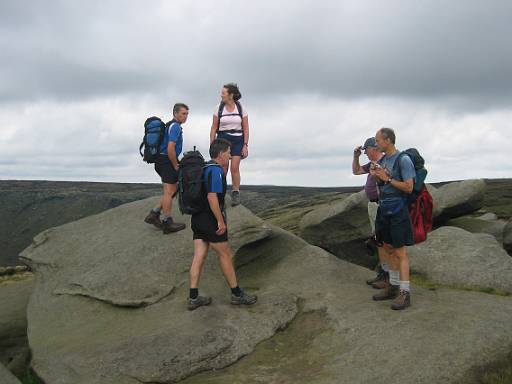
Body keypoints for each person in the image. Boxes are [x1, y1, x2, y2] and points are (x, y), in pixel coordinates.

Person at [187, 138, 258, 310]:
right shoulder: (216, 171)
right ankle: (237, 294)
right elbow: (212, 197)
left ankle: (193, 297)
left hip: (197, 219)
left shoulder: (204, 168)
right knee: (225, 254)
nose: (229, 155)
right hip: (210, 220)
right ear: (220, 154)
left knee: (199, 256)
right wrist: (220, 220)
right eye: (228, 152)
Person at [370, 128, 415, 310]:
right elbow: (384, 181)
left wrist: (387, 180)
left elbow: (409, 187)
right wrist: (378, 176)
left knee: (400, 251)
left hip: (398, 209)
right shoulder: (382, 160)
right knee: (388, 247)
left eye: (378, 140)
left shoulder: (403, 159)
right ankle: (393, 287)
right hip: (385, 208)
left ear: (387, 140)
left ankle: (405, 293)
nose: (376, 144)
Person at [144, 103, 188, 234]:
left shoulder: (170, 125)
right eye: (183, 113)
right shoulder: (175, 127)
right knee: (169, 192)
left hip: (161, 160)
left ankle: (154, 214)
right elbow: (170, 148)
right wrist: (175, 164)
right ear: (175, 113)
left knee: (173, 189)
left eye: (187, 114)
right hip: (166, 160)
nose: (185, 116)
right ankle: (167, 222)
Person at [353, 137, 387, 287]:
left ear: (374, 148)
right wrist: (356, 157)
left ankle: (388, 277)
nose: (365, 153)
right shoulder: (372, 164)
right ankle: (383, 273)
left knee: (385, 242)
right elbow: (356, 171)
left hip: (383, 205)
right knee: (380, 241)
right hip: (374, 205)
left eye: (366, 151)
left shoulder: (386, 161)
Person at [210, 83, 249, 207]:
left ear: (231, 95)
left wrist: (245, 145)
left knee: (234, 167)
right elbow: (214, 127)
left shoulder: (241, 108)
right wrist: (212, 144)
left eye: (223, 93)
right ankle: (219, 192)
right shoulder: (218, 108)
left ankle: (235, 193)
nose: (221, 95)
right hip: (222, 139)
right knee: (223, 168)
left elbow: (246, 128)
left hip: (238, 140)